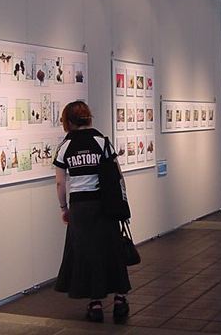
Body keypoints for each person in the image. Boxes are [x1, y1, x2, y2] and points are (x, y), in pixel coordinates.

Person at [53, 101, 131, 323]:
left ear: (68, 121)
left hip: (80, 207)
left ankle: (95, 304)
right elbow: (118, 176)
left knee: (87, 254)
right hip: (104, 204)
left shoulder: (65, 146)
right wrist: (122, 204)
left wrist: (64, 208)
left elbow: (60, 183)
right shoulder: (102, 141)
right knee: (112, 249)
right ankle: (120, 300)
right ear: (88, 117)